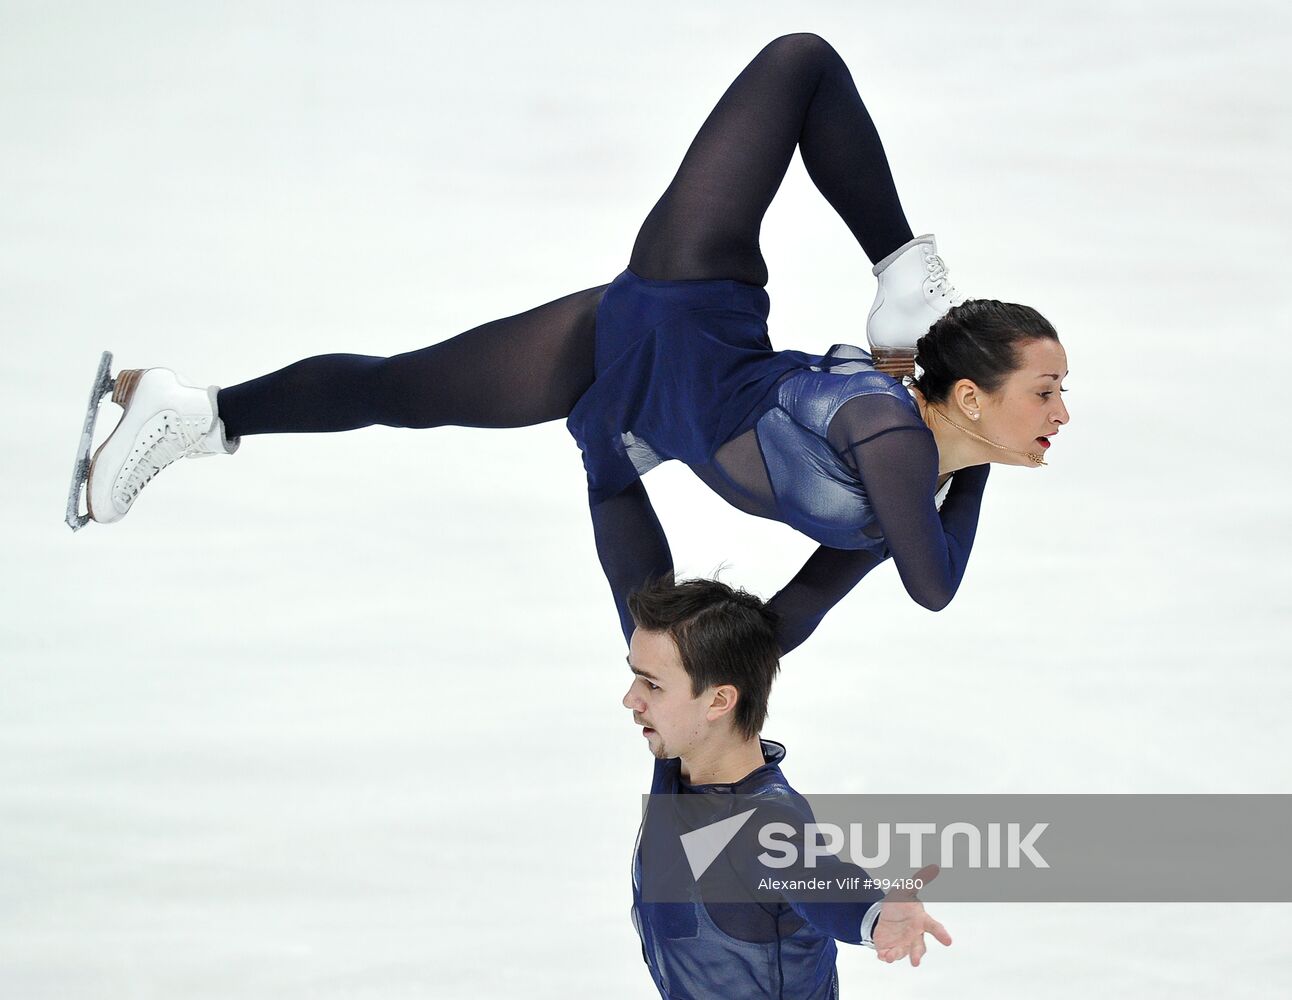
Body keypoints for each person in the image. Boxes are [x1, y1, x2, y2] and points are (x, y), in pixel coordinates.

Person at [76, 32, 1070, 655]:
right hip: (690, 311)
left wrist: (704, 704)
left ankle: (193, 414)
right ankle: (899, 266)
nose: (1061, 414)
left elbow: (792, 618)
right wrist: (973, 464)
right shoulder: (895, 450)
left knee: (402, 390)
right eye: (1042, 391)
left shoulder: (907, 484)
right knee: (797, 62)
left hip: (633, 390)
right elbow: (932, 587)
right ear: (970, 399)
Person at [623, 572, 951, 998]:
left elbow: (821, 880)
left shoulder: (767, 825)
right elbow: (630, 565)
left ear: (719, 701)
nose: (631, 698)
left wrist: (872, 916)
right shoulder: (682, 755)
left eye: (651, 684)